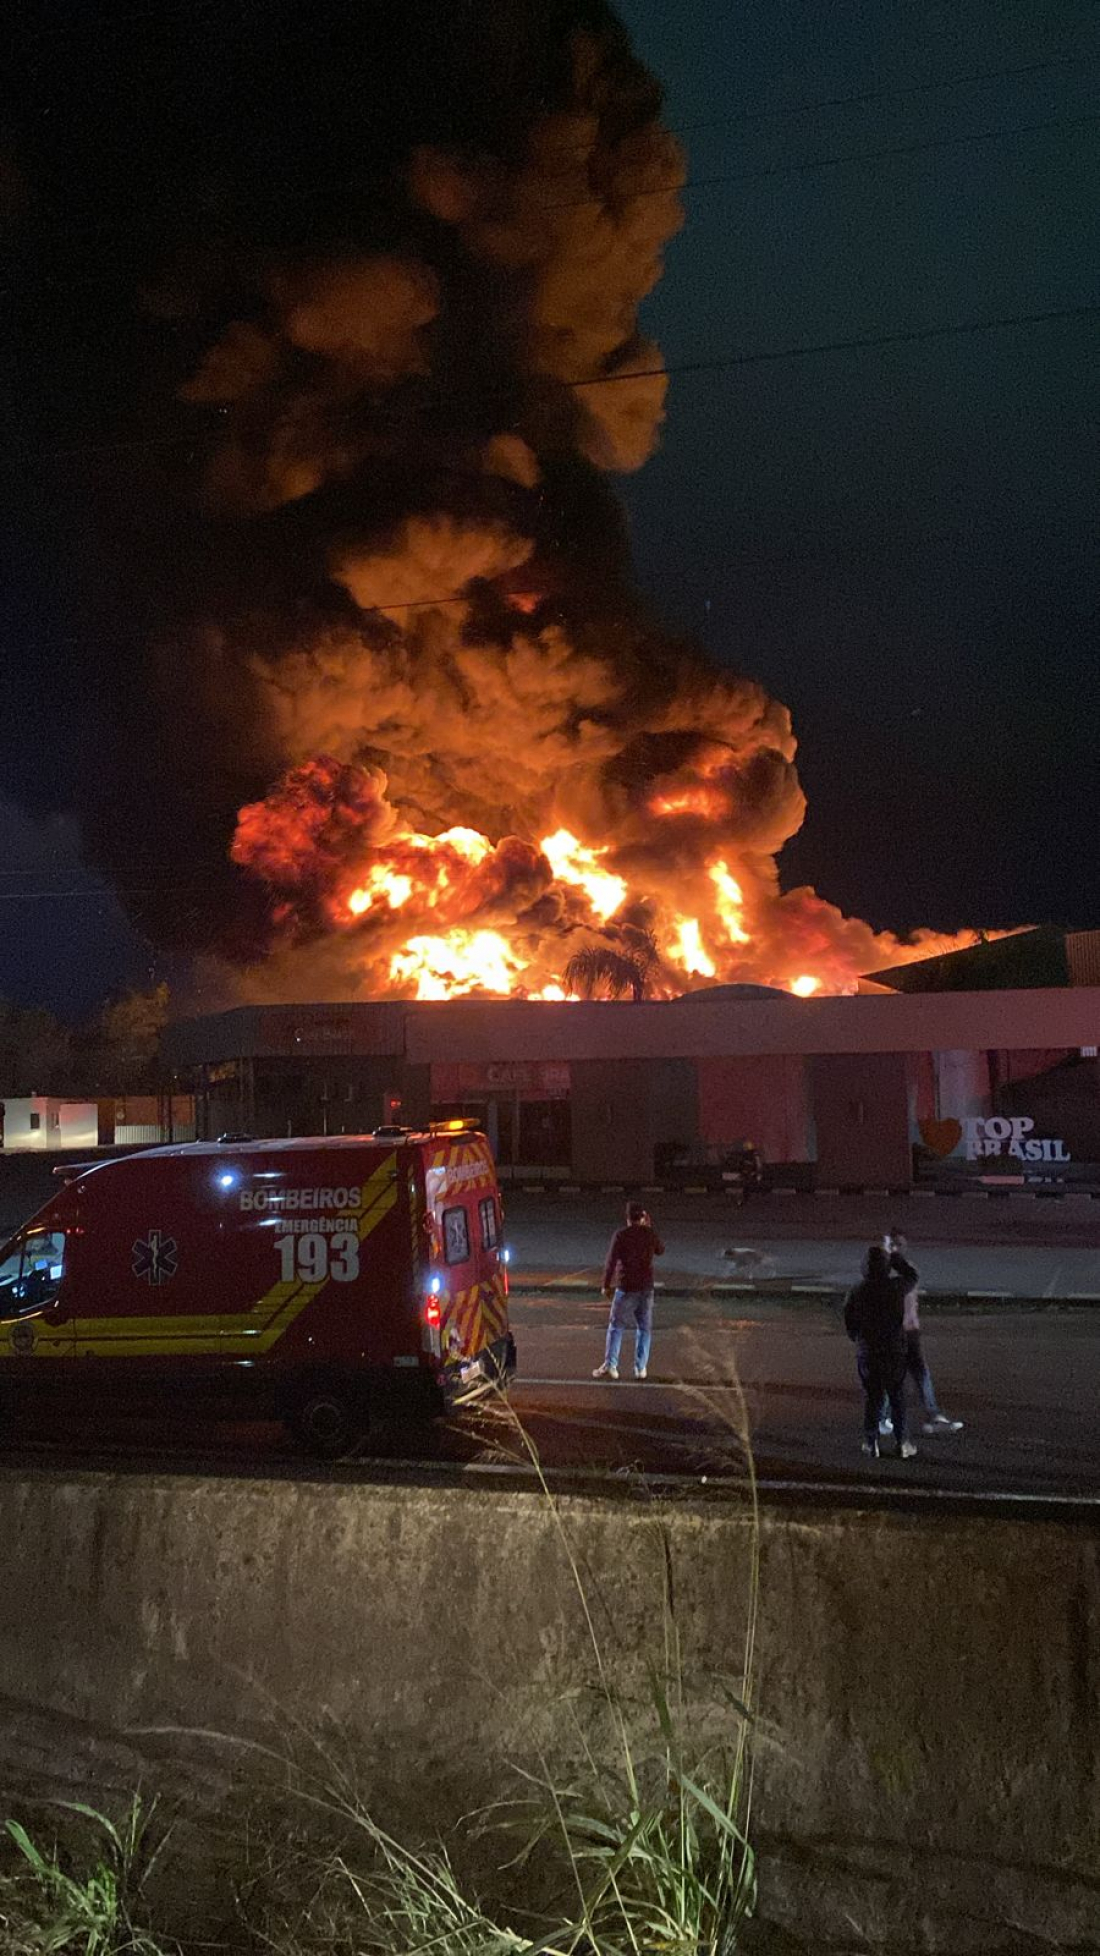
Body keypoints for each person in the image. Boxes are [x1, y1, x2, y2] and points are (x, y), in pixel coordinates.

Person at [879, 1227, 964, 1437]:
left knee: (919, 1373)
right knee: (897, 1376)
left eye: (900, 1244)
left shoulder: (906, 1271)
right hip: (895, 1333)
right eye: (894, 1245)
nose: (899, 1248)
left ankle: (932, 1415)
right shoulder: (884, 1274)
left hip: (910, 1333)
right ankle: (884, 1418)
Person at [843, 1244, 916, 1459]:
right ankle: (902, 1443)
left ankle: (871, 1442)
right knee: (897, 1398)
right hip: (894, 1351)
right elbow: (912, 1275)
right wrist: (896, 1259)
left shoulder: (857, 1291)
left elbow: (850, 1322)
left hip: (869, 1351)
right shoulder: (896, 1287)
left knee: (873, 1398)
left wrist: (859, 1339)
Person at [593, 1201, 665, 1381]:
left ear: (627, 1218)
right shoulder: (649, 1234)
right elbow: (661, 1250)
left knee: (616, 1326)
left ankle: (611, 1365)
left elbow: (611, 1261)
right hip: (646, 1288)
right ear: (642, 1217)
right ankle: (640, 1368)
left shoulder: (621, 1235)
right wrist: (649, 1227)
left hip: (625, 1287)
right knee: (644, 1328)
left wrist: (605, 1284)